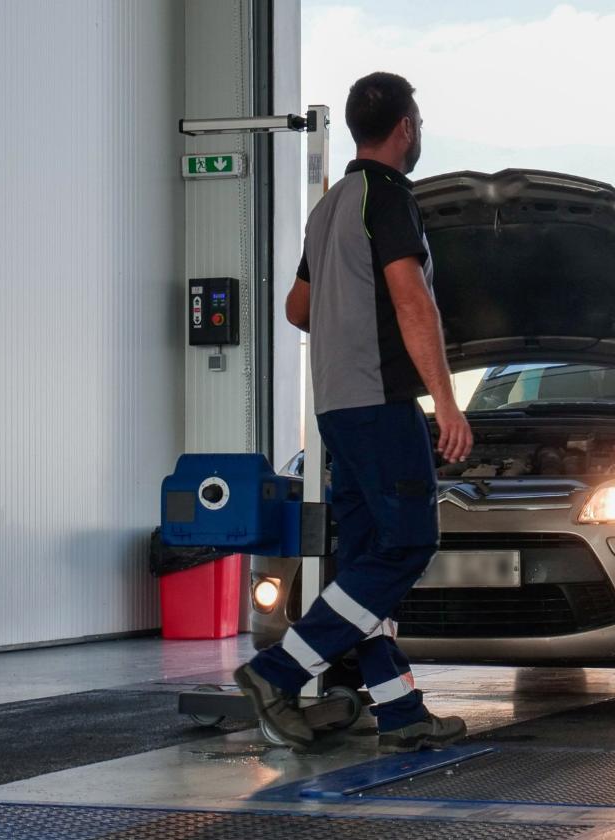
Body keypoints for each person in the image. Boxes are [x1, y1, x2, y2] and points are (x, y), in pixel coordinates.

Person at [234, 71, 473, 752]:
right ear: (404, 128)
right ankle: (277, 673)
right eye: (418, 121)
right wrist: (448, 402)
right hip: (380, 401)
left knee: (370, 556)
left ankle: (399, 712)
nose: (418, 131)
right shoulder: (388, 196)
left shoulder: (331, 204)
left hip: (336, 408)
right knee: (408, 544)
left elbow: (297, 309)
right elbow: (410, 300)